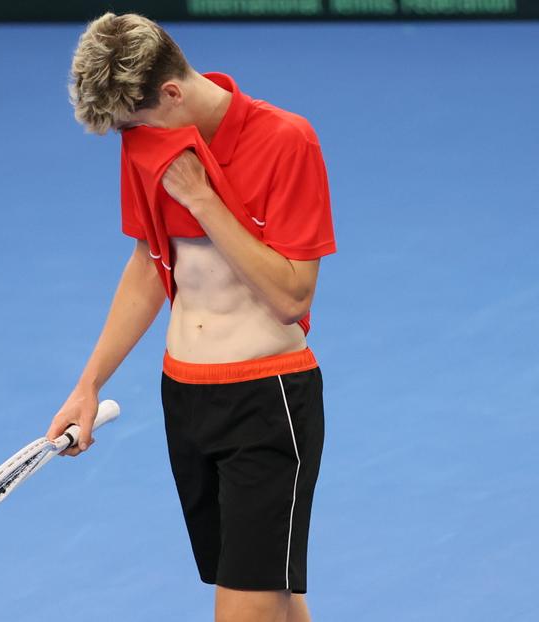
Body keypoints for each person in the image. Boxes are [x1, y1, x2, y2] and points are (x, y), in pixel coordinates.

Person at [45, 12, 337, 622]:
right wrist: (89, 383)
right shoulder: (145, 144)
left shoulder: (287, 140)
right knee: (273, 601)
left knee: (243, 608)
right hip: (186, 400)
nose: (132, 140)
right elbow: (150, 265)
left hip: (268, 403)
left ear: (172, 93)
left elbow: (291, 297)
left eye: (135, 123)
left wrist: (202, 199)